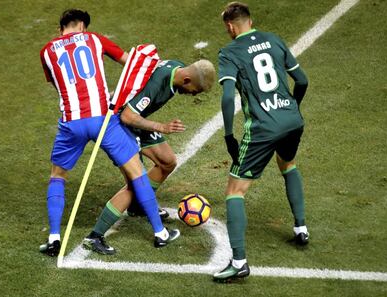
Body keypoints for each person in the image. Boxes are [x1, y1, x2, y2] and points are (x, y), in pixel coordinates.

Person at [39, 9, 179, 257]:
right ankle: (160, 233)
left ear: (61, 28)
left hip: (71, 122)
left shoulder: (47, 51)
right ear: (82, 25)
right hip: (104, 120)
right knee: (136, 171)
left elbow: (57, 82)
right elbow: (130, 63)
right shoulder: (95, 39)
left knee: (57, 176)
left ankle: (53, 239)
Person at [213, 2, 309, 282]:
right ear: (250, 21)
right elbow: (302, 80)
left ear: (230, 27)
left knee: (235, 190)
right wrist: (293, 108)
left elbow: (228, 97)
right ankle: (301, 228)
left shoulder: (229, 52)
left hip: (263, 128)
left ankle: (239, 262)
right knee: (287, 162)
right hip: (292, 120)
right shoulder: (273, 39)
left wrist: (229, 134)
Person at [82, 59, 216, 254]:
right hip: (117, 123)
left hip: (134, 119)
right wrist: (161, 127)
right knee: (135, 184)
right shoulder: (159, 82)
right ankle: (94, 237)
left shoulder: (176, 68)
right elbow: (127, 116)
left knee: (167, 161)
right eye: (195, 90)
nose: (194, 95)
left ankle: (137, 206)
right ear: (187, 79)